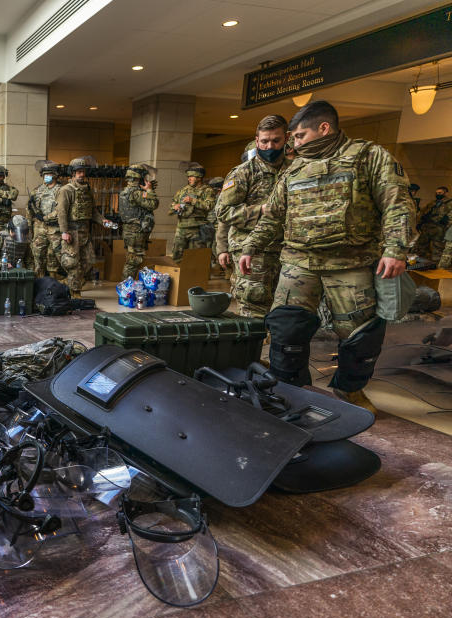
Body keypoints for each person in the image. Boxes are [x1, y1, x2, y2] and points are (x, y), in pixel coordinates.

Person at [239, 100, 415, 412]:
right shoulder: (295, 168)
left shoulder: (368, 156)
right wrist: (251, 245)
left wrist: (396, 249)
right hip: (299, 261)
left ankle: (351, 390)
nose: (294, 143)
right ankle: (288, 387)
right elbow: (274, 215)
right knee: (285, 326)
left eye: (299, 136)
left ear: (324, 128)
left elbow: (397, 203)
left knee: (359, 334)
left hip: (351, 262)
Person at [215, 114, 291, 318]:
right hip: (252, 252)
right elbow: (222, 212)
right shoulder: (242, 173)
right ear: (257, 140)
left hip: (288, 249)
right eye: (264, 141)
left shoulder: (294, 170)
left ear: (286, 139)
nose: (269, 146)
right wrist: (261, 211)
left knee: (285, 309)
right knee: (254, 307)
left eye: (276, 140)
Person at [56, 157, 113, 295]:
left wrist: (103, 220)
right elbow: (61, 212)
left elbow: (93, 211)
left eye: (83, 171)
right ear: (73, 173)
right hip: (72, 232)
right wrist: (64, 231)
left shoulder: (87, 190)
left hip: (85, 232)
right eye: (78, 172)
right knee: (73, 263)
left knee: (89, 260)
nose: (82, 174)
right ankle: (75, 293)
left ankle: (69, 282)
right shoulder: (66, 190)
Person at [117, 164, 158, 281]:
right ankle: (126, 288)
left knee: (131, 259)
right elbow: (153, 204)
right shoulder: (136, 193)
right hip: (136, 232)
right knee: (134, 261)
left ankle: (126, 287)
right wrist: (150, 191)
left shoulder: (125, 191)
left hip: (130, 231)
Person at [169, 163, 216, 261]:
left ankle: (193, 275)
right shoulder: (183, 190)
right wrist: (175, 206)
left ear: (199, 177)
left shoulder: (207, 190)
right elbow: (173, 203)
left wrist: (193, 200)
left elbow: (210, 205)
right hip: (181, 228)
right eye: (188, 177)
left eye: (191, 176)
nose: (189, 179)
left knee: (195, 257)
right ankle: (178, 275)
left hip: (197, 229)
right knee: (176, 256)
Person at [26, 162, 59, 278]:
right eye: (44, 174)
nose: (46, 177)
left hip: (55, 228)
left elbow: (61, 209)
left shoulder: (61, 190)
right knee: (37, 253)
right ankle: (40, 279)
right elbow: (29, 210)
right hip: (39, 228)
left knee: (52, 254)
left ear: (55, 175)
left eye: (49, 174)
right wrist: (29, 226)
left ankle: (52, 280)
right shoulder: (37, 191)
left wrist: (46, 217)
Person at [412, 186, 450, 261]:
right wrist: (420, 223)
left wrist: (446, 228)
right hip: (427, 228)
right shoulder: (432, 203)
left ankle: (437, 268)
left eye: (440, 193)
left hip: (439, 229)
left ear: (445, 193)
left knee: (437, 249)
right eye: (436, 193)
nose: (438, 194)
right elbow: (423, 212)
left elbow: (450, 218)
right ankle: (422, 264)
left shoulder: (449, 203)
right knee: (421, 248)